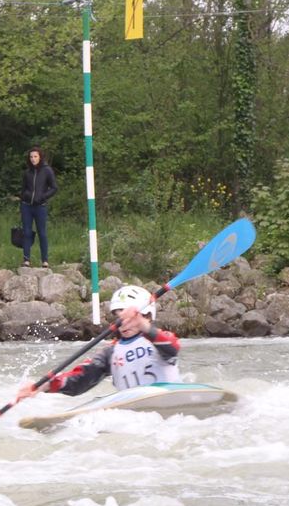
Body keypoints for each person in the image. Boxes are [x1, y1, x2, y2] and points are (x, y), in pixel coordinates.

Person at [16, 285, 180, 401]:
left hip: (168, 398)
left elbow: (172, 348)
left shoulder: (160, 338)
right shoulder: (111, 352)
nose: (124, 322)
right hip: (134, 413)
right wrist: (45, 386)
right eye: (118, 317)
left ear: (148, 316)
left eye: (129, 318)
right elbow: (81, 380)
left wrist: (143, 325)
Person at [19, 146, 57, 268]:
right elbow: (23, 189)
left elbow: (54, 188)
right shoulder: (27, 172)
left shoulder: (47, 170)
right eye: (31, 157)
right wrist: (25, 196)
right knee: (27, 232)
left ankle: (45, 260)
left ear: (40, 157)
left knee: (42, 233)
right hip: (26, 206)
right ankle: (26, 260)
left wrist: (43, 197)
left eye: (35, 156)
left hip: (40, 206)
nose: (33, 159)